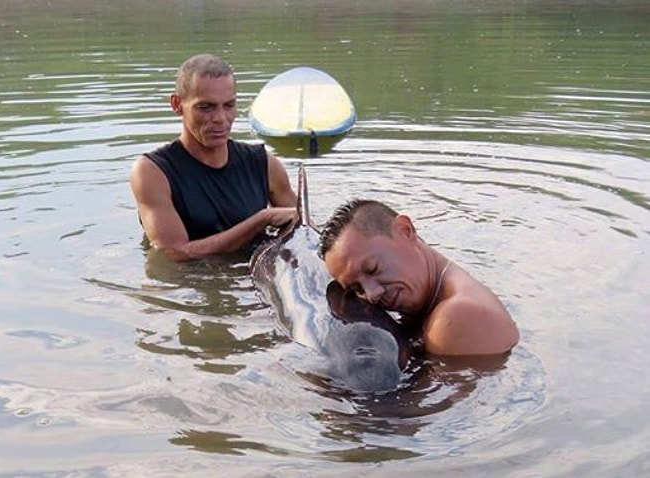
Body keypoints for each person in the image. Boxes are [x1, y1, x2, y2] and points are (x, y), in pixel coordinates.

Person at [130, 54, 298, 262]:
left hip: (255, 279)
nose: (220, 119)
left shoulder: (263, 164)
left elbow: (302, 227)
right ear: (177, 105)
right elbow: (174, 252)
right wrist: (262, 219)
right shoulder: (152, 172)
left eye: (228, 106)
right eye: (205, 107)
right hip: (190, 288)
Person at [318, 199, 519, 356]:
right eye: (357, 289)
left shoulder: (457, 315)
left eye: (373, 269)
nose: (373, 294)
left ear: (405, 230)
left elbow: (423, 407)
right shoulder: (432, 296)